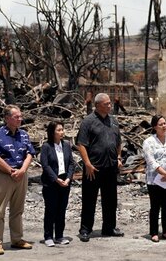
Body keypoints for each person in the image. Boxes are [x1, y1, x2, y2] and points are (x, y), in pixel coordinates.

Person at [0, 105, 36, 255]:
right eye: (16, 117)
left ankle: (17, 238)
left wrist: (22, 171)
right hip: (4, 176)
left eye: (21, 116)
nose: (20, 119)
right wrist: (10, 171)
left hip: (21, 175)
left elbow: (30, 154)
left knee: (17, 209)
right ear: (7, 118)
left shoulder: (24, 135)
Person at [76, 93, 124, 242]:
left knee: (110, 199)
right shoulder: (88, 122)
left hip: (110, 167)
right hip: (93, 168)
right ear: (97, 106)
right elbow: (81, 144)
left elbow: (118, 142)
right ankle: (85, 229)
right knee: (89, 199)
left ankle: (109, 227)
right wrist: (87, 164)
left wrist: (118, 157)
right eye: (106, 104)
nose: (110, 106)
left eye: (110, 103)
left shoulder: (113, 121)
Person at [142, 115, 166, 243]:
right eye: (161, 124)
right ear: (154, 127)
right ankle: (153, 232)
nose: (164, 126)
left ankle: (165, 231)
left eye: (165, 123)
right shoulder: (148, 142)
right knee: (155, 206)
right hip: (154, 179)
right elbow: (151, 161)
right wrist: (163, 173)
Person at [40, 121, 75, 247]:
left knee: (61, 209)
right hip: (51, 182)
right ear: (52, 132)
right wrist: (55, 179)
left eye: (62, 129)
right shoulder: (46, 146)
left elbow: (71, 163)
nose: (62, 132)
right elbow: (45, 165)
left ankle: (59, 235)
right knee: (51, 209)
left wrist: (68, 178)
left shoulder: (66, 145)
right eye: (59, 130)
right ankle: (48, 235)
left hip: (65, 180)